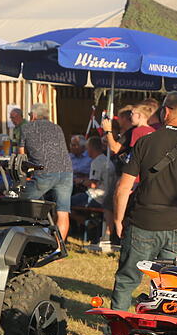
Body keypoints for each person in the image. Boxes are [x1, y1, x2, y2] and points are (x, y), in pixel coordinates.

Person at [111, 92, 177, 312]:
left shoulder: (145, 142)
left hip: (142, 223)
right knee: (176, 288)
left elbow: (123, 187)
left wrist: (118, 219)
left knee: (127, 281)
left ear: (166, 112)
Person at [19, 103, 73, 240]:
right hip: (66, 171)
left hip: (45, 171)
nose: (30, 117)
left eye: (30, 115)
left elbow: (21, 156)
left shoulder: (26, 127)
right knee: (63, 212)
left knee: (22, 203)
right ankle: (58, 248)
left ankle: (25, 238)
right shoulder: (57, 128)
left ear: (34, 115)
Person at [71, 136, 114, 209]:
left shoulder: (96, 162)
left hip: (96, 198)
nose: (86, 151)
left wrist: (80, 181)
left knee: (65, 202)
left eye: (87, 149)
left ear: (91, 149)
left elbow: (93, 184)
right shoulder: (105, 160)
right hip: (106, 196)